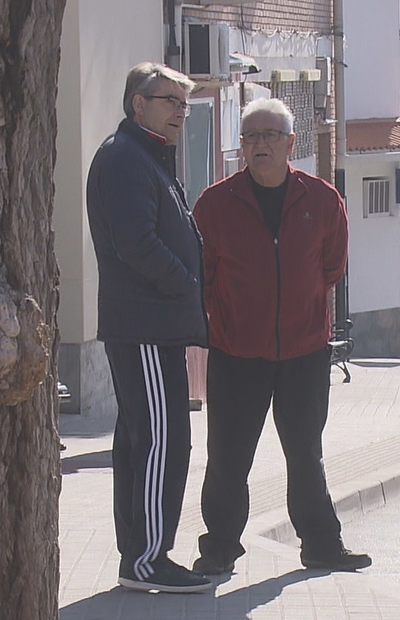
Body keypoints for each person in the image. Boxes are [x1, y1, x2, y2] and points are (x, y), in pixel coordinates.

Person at [191, 98, 371, 575]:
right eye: (250, 137)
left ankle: (320, 545)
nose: (260, 145)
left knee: (305, 452)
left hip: (303, 351)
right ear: (241, 147)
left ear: (291, 143)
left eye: (270, 135)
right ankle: (219, 550)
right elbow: (203, 274)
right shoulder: (215, 204)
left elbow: (332, 266)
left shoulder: (321, 199)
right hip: (236, 352)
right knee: (228, 457)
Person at [85, 63, 211, 593]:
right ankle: (147, 558)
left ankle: (138, 554)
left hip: (152, 325)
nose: (180, 112)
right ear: (138, 103)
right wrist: (186, 284)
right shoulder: (126, 159)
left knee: (144, 440)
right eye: (169, 101)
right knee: (163, 441)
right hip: (146, 326)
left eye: (184, 103)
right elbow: (134, 242)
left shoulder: (148, 157)